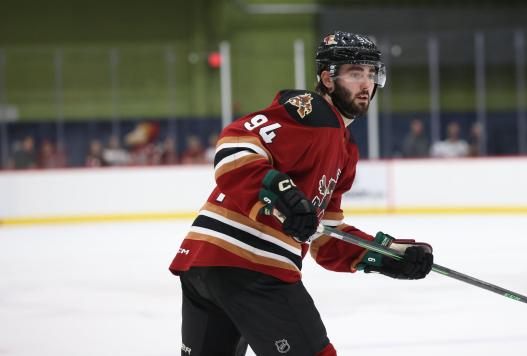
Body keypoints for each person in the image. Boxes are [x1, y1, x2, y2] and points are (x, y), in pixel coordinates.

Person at [169, 31, 434, 356]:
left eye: (371, 74)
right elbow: (234, 145)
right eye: (355, 73)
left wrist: (388, 254)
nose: (366, 84)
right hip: (252, 266)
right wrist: (280, 195)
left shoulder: (345, 149)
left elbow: (326, 239)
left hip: (206, 265)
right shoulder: (312, 112)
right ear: (327, 78)